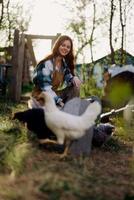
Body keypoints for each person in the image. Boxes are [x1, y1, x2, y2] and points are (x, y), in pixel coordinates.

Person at [29, 35, 81, 108]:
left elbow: (69, 77)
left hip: (52, 96)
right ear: (58, 45)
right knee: (56, 112)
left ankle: (69, 113)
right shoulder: (47, 63)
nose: (65, 48)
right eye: (63, 45)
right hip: (40, 98)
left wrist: (74, 78)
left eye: (68, 47)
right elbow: (46, 88)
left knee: (75, 88)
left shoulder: (63, 65)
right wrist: (58, 101)